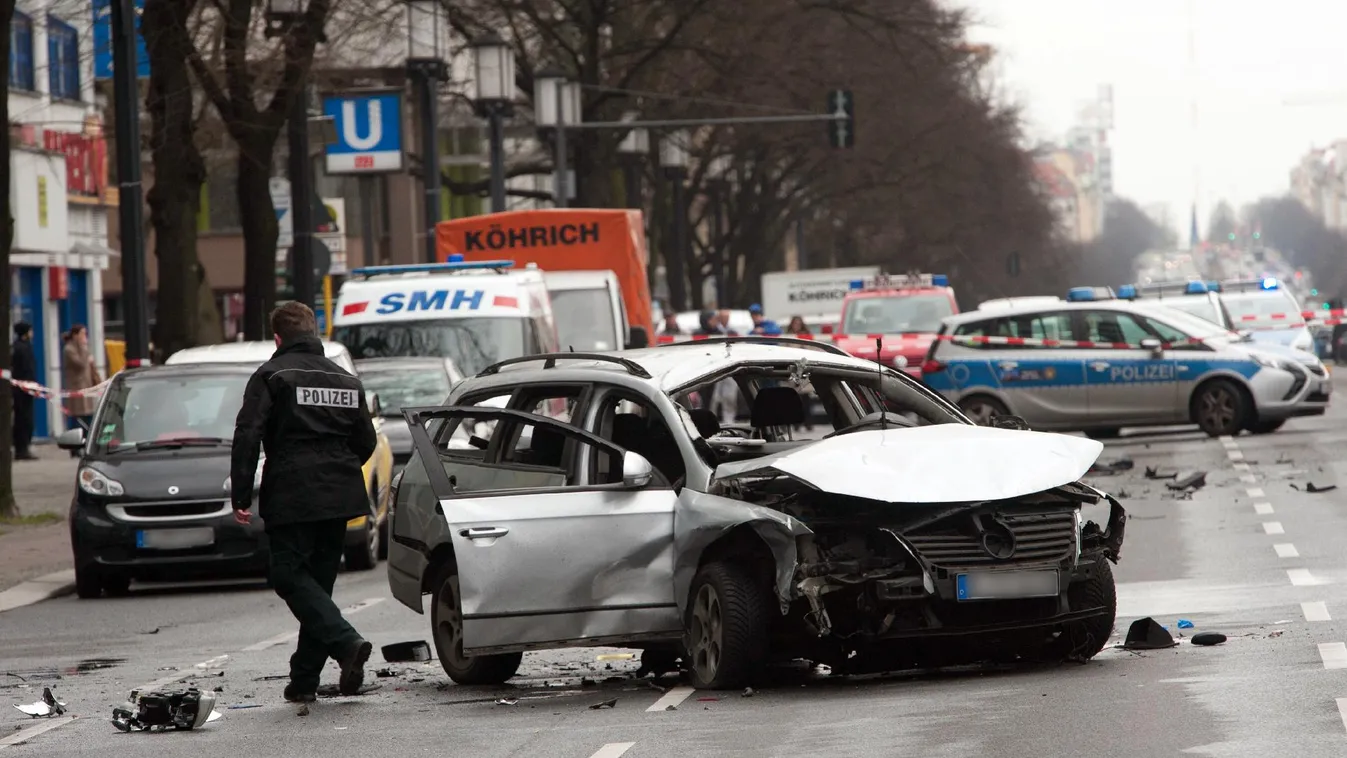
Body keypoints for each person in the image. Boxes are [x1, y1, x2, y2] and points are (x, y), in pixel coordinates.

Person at [231, 302, 378, 703]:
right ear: (313, 333)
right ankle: (304, 682)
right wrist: (339, 468)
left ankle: (347, 643)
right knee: (318, 586)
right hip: (340, 491)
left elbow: (248, 434)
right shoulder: (347, 380)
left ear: (277, 338)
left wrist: (241, 494)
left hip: (293, 490)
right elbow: (366, 441)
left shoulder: (271, 375)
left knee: (288, 575)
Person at [62, 325, 100, 456]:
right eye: (83, 334)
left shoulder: (84, 349)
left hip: (87, 388)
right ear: (75, 335)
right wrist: (85, 350)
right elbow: (80, 364)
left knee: (88, 416)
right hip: (76, 388)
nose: (85, 337)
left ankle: (87, 444)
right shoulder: (69, 349)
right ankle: (74, 447)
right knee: (77, 417)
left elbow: (91, 366)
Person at [10, 322, 37, 460]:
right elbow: (26, 369)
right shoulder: (22, 348)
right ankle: (22, 449)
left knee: (24, 419)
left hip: (23, 388)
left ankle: (22, 448)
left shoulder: (19, 347)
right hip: (23, 389)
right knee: (24, 420)